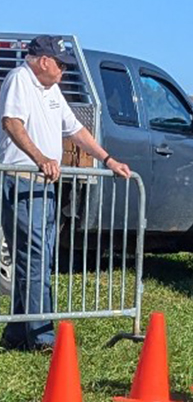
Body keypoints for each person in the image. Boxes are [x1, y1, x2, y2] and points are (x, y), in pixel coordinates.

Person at [0, 36, 131, 351]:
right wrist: (40, 158)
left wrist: (107, 159)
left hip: (44, 184)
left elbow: (75, 130)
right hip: (22, 180)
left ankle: (17, 334)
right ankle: (42, 337)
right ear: (43, 60)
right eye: (60, 64)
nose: (63, 71)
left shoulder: (52, 90)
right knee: (34, 259)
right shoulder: (19, 79)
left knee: (37, 259)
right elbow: (12, 123)